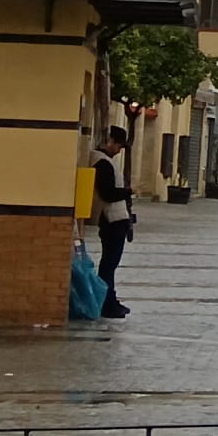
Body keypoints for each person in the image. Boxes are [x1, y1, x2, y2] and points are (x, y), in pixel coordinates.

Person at [91, 126, 134, 319]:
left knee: (110, 264)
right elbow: (108, 194)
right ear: (110, 141)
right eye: (118, 146)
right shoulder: (102, 163)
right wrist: (128, 192)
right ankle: (106, 303)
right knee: (109, 264)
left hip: (115, 219)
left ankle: (110, 300)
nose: (118, 151)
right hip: (112, 220)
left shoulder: (104, 161)